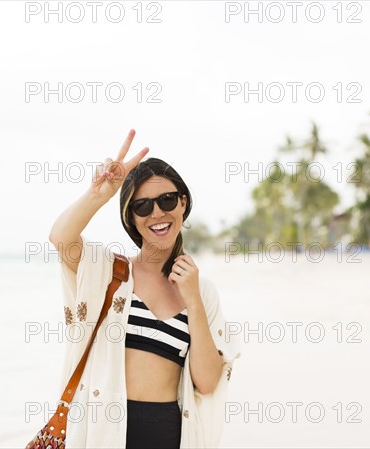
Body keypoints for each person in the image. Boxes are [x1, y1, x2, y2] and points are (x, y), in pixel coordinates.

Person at [47, 129, 242, 449]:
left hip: (170, 436)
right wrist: (98, 194)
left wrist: (192, 300)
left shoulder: (202, 291)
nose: (157, 213)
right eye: (142, 206)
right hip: (103, 435)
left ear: (182, 203)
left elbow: (207, 382)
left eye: (166, 200)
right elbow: (61, 239)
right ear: (131, 218)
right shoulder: (110, 272)